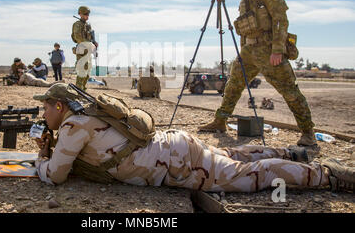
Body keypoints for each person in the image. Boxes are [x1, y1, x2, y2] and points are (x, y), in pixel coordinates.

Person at [32, 83, 354, 193]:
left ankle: (329, 175)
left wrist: (41, 158)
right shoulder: (88, 113)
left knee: (248, 176)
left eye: (45, 108)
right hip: (172, 147)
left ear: (59, 105)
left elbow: (55, 176)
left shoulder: (74, 126)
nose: (44, 115)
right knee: (233, 158)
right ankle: (294, 153)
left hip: (175, 163)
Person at [199, 0, 317, 147]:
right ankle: (220, 121)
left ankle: (308, 133)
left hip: (268, 50)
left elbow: (281, 22)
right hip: (249, 51)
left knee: (290, 91)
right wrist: (243, 49)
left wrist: (277, 50)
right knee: (233, 85)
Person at [71, 6, 98, 91]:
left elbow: (90, 38)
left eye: (88, 14)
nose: (87, 16)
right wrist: (90, 44)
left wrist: (94, 43)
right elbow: (78, 38)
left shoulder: (87, 25)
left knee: (87, 73)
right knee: (82, 72)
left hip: (88, 51)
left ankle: (83, 90)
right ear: (80, 14)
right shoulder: (77, 24)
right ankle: (78, 92)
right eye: (85, 14)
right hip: (82, 50)